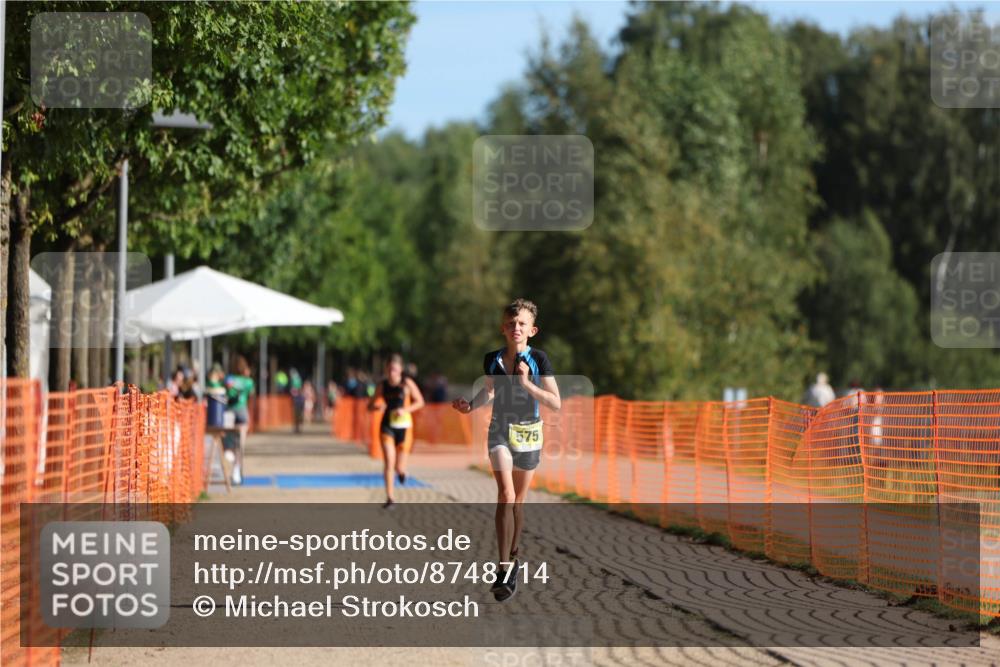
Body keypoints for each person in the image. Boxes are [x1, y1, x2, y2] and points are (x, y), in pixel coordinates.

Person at [452, 298, 560, 602]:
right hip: (500, 428)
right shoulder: (492, 359)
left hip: (529, 432)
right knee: (505, 495)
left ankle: (513, 557)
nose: (516, 328)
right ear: (503, 327)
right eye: (511, 324)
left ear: (532, 330)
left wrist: (527, 385)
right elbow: (489, 390)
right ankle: (502, 569)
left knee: (518, 504)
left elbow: (555, 402)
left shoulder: (539, 358)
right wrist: (469, 406)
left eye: (522, 324)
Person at [368, 354, 425, 509]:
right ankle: (390, 498)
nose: (392, 371)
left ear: (400, 369)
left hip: (405, 428)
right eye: (389, 369)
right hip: (387, 426)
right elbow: (369, 405)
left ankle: (402, 473)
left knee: (399, 467)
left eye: (394, 368)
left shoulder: (407, 384)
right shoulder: (382, 386)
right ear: (386, 370)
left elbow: (420, 402)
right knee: (389, 462)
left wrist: (405, 410)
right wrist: (377, 407)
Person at [224, 355, 255, 485]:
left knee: (228, 440)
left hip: (229, 411)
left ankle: (229, 456)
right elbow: (251, 393)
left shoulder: (229, 379)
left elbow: (224, 390)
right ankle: (236, 472)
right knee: (240, 445)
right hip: (242, 412)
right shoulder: (248, 381)